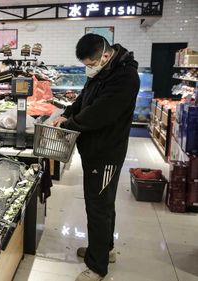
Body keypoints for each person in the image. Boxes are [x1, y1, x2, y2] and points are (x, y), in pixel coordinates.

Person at [53, 34, 140, 281]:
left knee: (98, 207)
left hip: (107, 152)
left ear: (104, 55)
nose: (89, 69)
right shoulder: (105, 71)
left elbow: (100, 113)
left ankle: (97, 267)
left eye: (91, 64)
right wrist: (68, 112)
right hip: (95, 150)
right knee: (103, 203)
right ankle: (104, 250)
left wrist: (71, 124)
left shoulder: (125, 77)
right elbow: (84, 99)